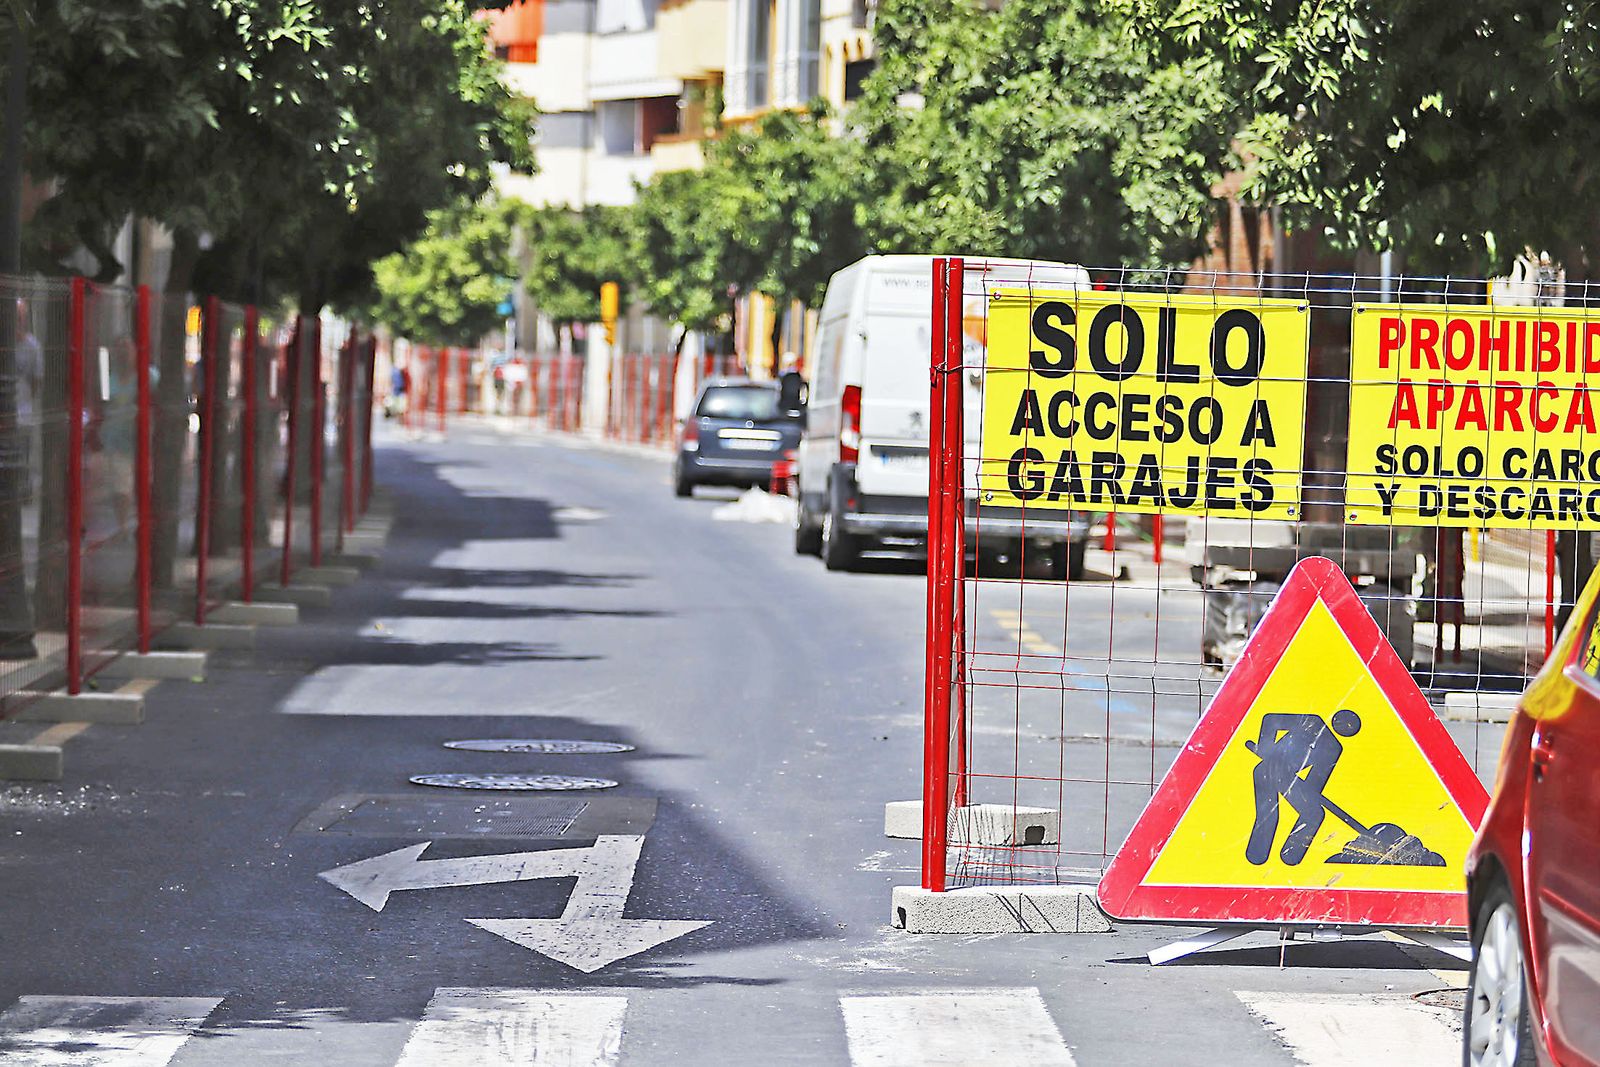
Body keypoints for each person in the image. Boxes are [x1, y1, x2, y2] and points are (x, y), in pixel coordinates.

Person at [1244, 708, 1362, 866]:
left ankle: (1289, 858)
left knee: (1313, 813)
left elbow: (1315, 783)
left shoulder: (1333, 747)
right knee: (1269, 815)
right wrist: (1267, 748)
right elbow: (1271, 720)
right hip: (1265, 772)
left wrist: (1309, 793)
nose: (1346, 727)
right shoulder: (1312, 722)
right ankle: (1257, 857)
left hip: (1283, 776)